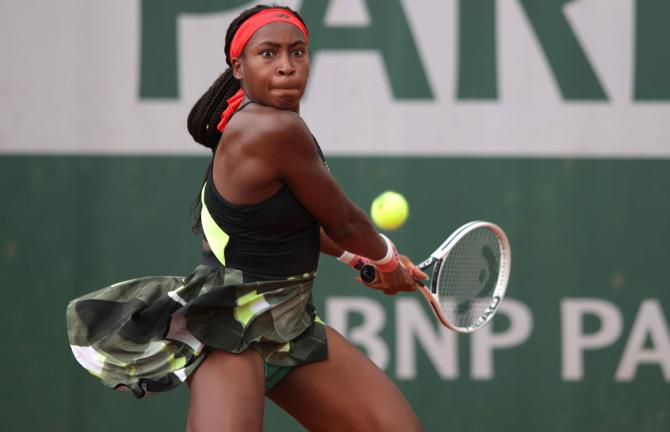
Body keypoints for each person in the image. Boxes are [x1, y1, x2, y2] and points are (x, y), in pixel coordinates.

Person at [66, 4, 426, 431]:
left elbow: (305, 221)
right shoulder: (272, 131)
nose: (287, 67)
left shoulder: (271, 125)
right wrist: (386, 261)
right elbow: (343, 222)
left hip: (289, 324)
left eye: (298, 52)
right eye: (268, 54)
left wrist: (358, 260)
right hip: (231, 329)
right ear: (239, 67)